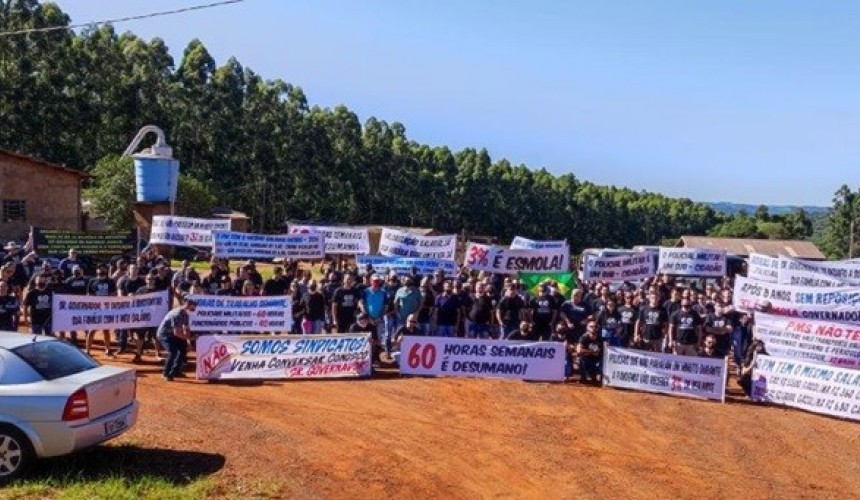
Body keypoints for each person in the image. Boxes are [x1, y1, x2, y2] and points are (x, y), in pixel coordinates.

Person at [157, 296, 198, 381]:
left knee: (183, 349)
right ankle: (166, 373)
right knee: (173, 352)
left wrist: (188, 343)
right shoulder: (177, 314)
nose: (195, 307)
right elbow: (177, 332)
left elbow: (186, 329)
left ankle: (176, 371)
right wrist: (190, 338)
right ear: (187, 304)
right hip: (165, 335)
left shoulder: (185, 314)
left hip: (174, 335)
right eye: (193, 305)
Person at [85, 265, 117, 358]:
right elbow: (88, 295)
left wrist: (106, 302)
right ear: (96, 272)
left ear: (106, 272)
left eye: (102, 272)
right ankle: (87, 351)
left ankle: (108, 350)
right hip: (95, 309)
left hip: (106, 309)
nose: (100, 274)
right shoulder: (92, 281)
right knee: (91, 330)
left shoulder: (110, 281)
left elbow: (114, 294)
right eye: (99, 272)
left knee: (106, 330)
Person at [576, 320, 602, 384]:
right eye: (591, 326)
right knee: (582, 359)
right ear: (587, 327)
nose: (593, 328)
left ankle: (597, 377)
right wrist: (592, 351)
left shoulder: (600, 338)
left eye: (595, 327)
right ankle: (584, 376)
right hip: (586, 358)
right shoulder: (583, 337)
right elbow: (579, 350)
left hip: (596, 359)